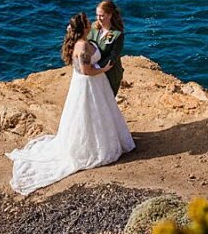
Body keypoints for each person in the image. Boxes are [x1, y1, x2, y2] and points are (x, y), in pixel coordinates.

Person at [7, 12, 134, 196]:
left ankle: (97, 140)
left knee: (95, 114)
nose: (91, 23)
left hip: (95, 85)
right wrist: (105, 69)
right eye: (87, 22)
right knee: (90, 114)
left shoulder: (83, 40)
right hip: (89, 85)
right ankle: (92, 147)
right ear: (83, 28)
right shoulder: (82, 46)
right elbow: (86, 71)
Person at [88, 0, 125, 97]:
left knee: (107, 105)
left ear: (110, 15)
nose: (98, 18)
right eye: (97, 15)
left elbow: (113, 56)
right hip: (94, 73)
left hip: (110, 75)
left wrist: (96, 68)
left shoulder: (117, 34)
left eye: (101, 15)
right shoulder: (93, 27)